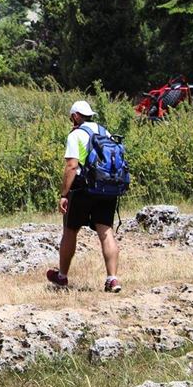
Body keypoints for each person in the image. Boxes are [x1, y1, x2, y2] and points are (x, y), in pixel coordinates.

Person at [47, 100, 121, 293]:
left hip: (82, 189)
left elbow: (72, 166)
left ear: (75, 116)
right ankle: (112, 279)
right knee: (106, 232)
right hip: (106, 188)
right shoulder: (105, 132)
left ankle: (62, 276)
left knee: (70, 231)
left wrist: (64, 194)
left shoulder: (76, 135)